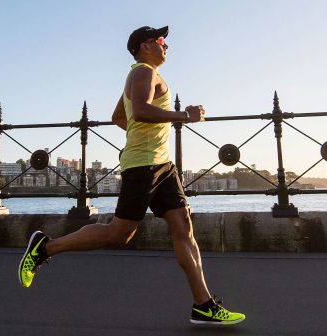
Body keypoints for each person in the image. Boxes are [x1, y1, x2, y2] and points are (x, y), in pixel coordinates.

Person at [17, 25, 246, 326]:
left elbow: (119, 117)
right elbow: (139, 111)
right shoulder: (143, 73)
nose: (167, 46)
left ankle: (204, 305)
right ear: (144, 46)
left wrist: (143, 137)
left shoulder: (145, 74)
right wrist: (183, 117)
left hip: (162, 165)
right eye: (161, 40)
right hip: (144, 166)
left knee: (183, 227)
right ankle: (45, 247)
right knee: (119, 234)